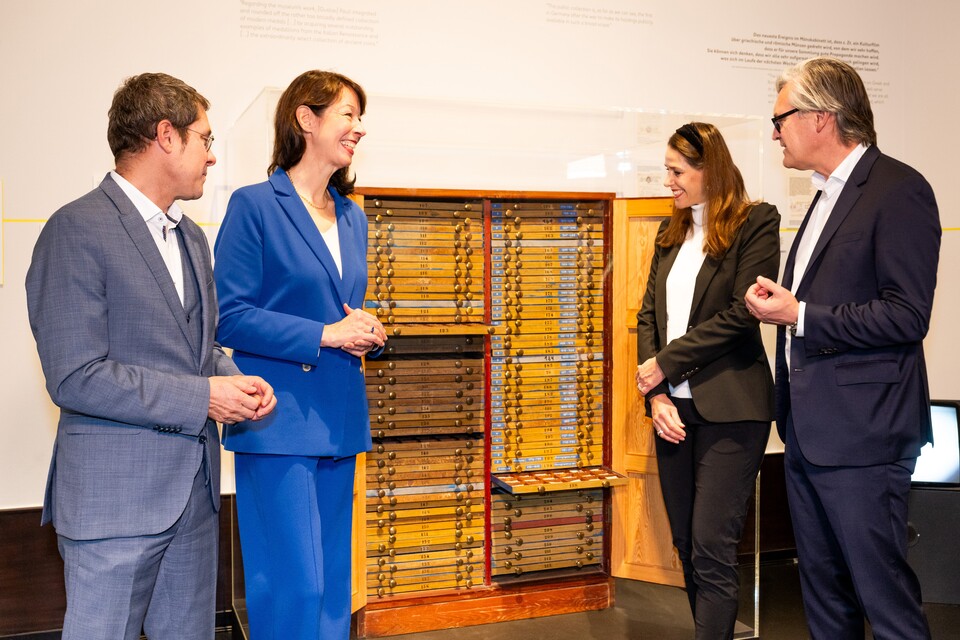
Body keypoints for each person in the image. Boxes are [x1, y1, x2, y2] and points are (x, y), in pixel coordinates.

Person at [25, 73, 276, 640]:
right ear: (166, 136)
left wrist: (236, 379)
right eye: (205, 140)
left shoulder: (190, 238)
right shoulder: (76, 229)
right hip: (114, 504)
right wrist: (203, 397)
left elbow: (199, 349)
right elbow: (75, 375)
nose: (212, 158)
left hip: (194, 497)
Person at [745, 57, 940, 639]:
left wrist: (799, 314)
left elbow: (907, 314)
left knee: (885, 601)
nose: (773, 130)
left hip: (864, 437)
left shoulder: (899, 189)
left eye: (780, 117)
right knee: (825, 598)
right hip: (810, 430)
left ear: (821, 118)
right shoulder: (825, 196)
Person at [213, 70, 384, 640]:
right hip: (276, 419)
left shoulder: (353, 216)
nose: (357, 127)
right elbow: (228, 316)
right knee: (295, 584)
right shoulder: (254, 206)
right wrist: (326, 335)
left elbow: (337, 306)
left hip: (338, 418)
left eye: (360, 116)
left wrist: (361, 328)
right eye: (346, 113)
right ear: (305, 120)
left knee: (335, 587)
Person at [635, 122, 780, 639]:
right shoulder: (670, 231)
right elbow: (648, 314)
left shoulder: (755, 222)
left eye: (676, 171)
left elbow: (745, 312)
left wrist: (667, 365)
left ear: (708, 170)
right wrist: (654, 393)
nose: (668, 181)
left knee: (711, 546)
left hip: (733, 409)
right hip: (672, 411)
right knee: (685, 546)